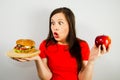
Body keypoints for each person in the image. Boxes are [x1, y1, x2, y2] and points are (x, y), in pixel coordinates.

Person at [13, 7, 110, 80]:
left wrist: (91, 62)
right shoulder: (45, 44)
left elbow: (83, 78)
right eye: (52, 23)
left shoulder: (82, 45)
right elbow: (47, 77)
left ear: (70, 25)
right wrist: (37, 59)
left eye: (60, 23)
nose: (55, 27)